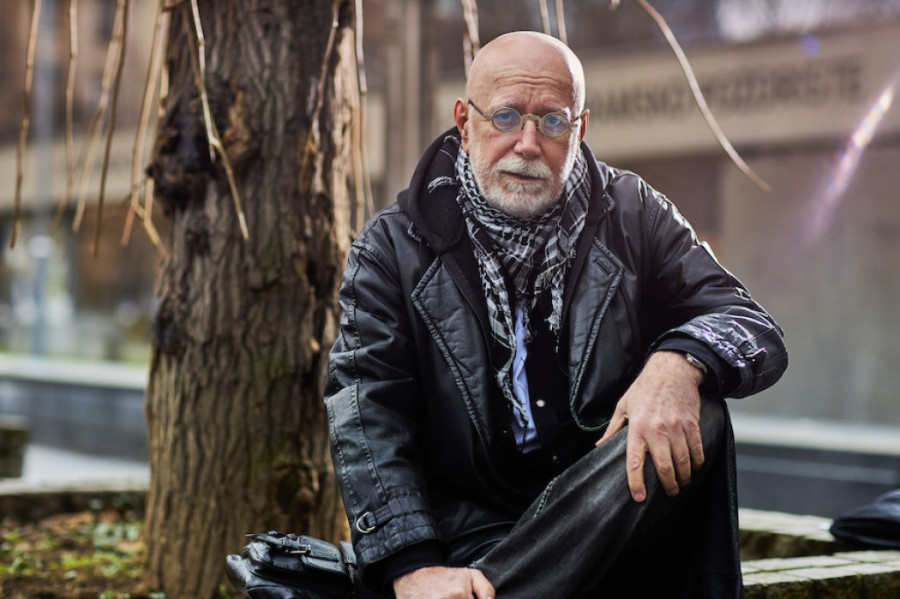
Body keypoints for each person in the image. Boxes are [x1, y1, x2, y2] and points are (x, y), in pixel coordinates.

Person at [325, 31, 787, 599]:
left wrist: (677, 363)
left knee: (702, 406)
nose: (527, 143)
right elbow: (369, 409)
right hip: (471, 536)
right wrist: (412, 567)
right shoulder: (391, 249)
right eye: (505, 117)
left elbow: (748, 323)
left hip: (612, 517)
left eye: (551, 122)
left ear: (580, 130)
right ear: (464, 122)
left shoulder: (635, 215)